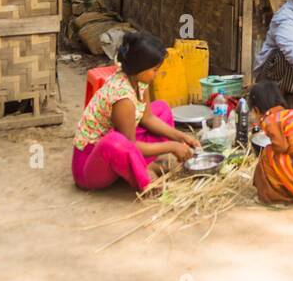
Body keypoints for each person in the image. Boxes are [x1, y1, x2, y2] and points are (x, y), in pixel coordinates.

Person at [71, 31, 201, 192]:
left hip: (116, 147)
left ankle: (139, 167)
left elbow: (148, 118)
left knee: (162, 109)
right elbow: (128, 145)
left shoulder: (137, 79)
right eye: (154, 70)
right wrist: (172, 146)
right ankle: (143, 175)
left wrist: (181, 137)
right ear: (141, 68)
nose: (157, 74)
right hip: (90, 166)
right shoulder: (123, 98)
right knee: (115, 141)